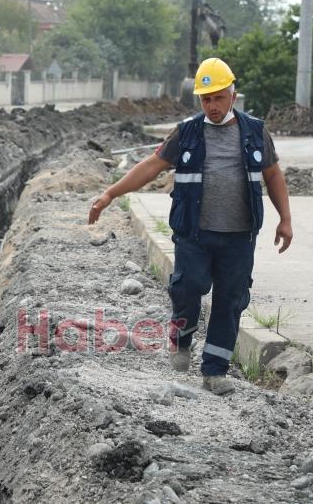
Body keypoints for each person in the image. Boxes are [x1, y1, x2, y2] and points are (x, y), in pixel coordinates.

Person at [88, 58, 293, 395]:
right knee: (188, 287)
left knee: (230, 300)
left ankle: (215, 371)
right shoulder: (187, 132)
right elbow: (152, 165)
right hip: (194, 234)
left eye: (218, 97)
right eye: (205, 99)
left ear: (233, 94)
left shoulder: (255, 131)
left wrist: (285, 219)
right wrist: (111, 193)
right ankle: (181, 337)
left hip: (239, 236)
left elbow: (273, 175)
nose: (212, 106)